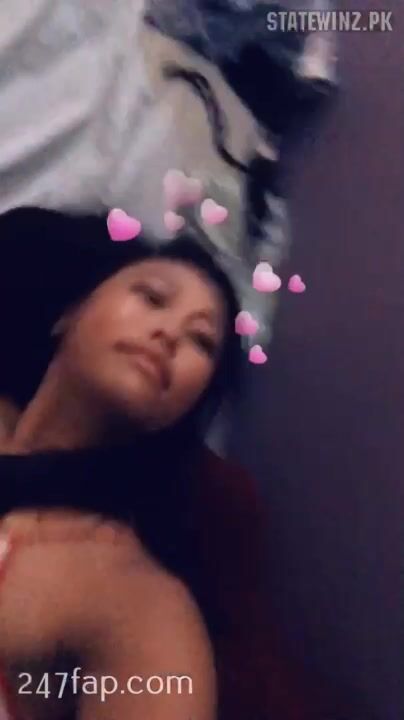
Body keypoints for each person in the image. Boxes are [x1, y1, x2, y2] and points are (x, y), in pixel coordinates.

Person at [0, 206, 242, 720]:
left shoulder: (138, 606)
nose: (169, 334)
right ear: (70, 315)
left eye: (201, 341)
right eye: (152, 297)